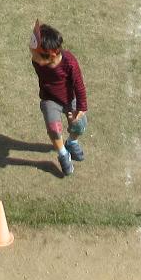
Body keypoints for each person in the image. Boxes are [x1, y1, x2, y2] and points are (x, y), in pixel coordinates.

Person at [30, 22, 88, 178]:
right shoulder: (37, 62)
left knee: (80, 126)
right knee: (53, 128)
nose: (33, 57)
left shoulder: (70, 63)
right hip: (50, 99)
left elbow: (79, 86)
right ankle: (63, 153)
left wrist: (80, 109)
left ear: (52, 55)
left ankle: (72, 142)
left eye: (36, 54)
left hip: (70, 98)